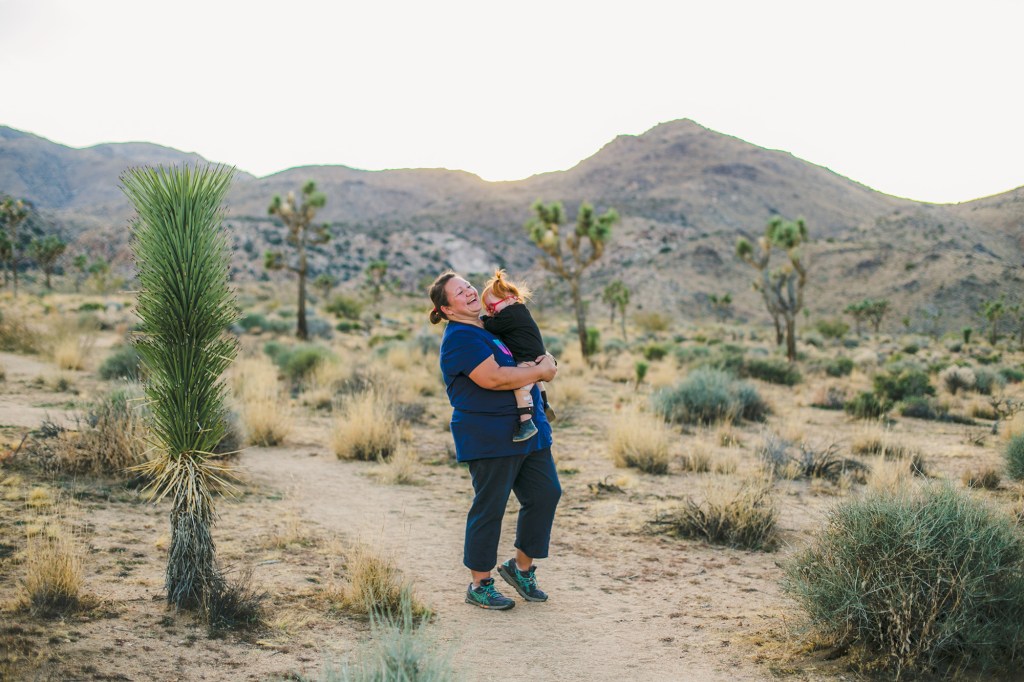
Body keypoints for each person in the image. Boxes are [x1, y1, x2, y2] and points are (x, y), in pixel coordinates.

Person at [428, 271, 561, 611]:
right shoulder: (459, 337)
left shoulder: (489, 330)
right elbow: (495, 378)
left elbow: (522, 354)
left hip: (530, 431)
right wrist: (541, 372)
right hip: (490, 435)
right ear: (446, 308)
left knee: (545, 494)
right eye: (460, 292)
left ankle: (521, 568)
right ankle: (480, 583)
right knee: (490, 507)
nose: (470, 291)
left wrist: (539, 361)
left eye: (469, 286)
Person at [480, 268, 555, 444]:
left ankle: (526, 423)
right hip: (536, 355)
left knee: (521, 388)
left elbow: (494, 327)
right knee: (537, 380)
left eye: (492, 307)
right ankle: (545, 405)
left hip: (527, 358)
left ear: (512, 298)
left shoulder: (510, 314)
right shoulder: (519, 311)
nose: (491, 312)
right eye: (488, 309)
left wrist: (484, 319)